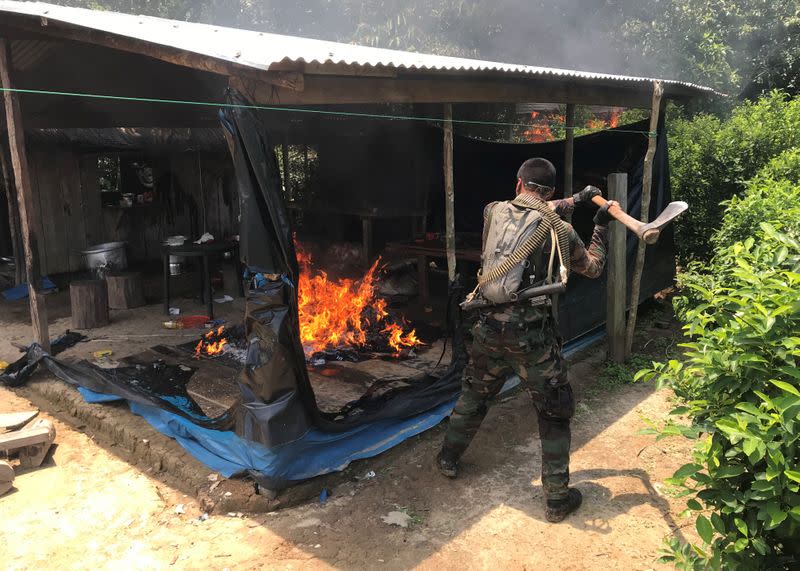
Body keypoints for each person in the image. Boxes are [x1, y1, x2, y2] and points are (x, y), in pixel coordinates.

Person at [436, 157, 616, 523]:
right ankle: (556, 500)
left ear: (519, 184)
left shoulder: (492, 212)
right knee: (553, 411)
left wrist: (577, 198)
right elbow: (593, 267)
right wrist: (600, 227)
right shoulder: (561, 232)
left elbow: (534, 206)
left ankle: (448, 459)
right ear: (548, 192)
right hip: (533, 339)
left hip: (487, 329)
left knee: (474, 395)